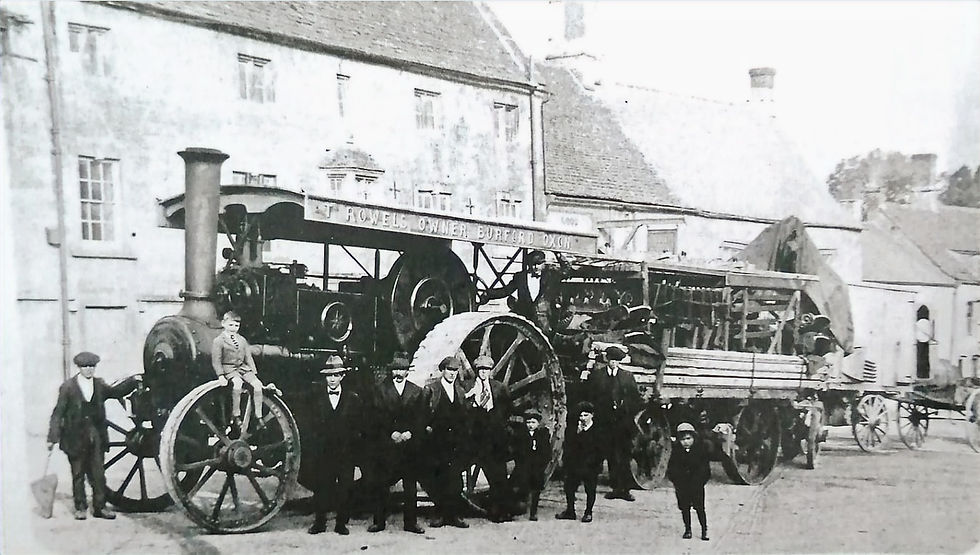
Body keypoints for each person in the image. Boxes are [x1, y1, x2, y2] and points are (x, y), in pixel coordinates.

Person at [47, 351, 140, 520]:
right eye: (86, 367)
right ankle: (80, 507)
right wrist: (52, 437)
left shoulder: (99, 385)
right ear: (79, 368)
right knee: (78, 474)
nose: (89, 370)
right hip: (75, 437)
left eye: (92, 367)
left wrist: (133, 382)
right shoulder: (68, 387)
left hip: (96, 436)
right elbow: (58, 413)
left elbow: (115, 392)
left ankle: (100, 507)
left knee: (98, 474)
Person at [367, 352, 426, 534]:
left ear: (407, 371)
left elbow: (421, 418)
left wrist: (410, 432)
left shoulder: (416, 391)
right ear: (391, 371)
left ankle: (411, 523)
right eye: (396, 370)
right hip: (387, 445)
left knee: (410, 486)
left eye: (402, 369)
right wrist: (391, 433)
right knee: (381, 485)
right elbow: (376, 417)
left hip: (409, 446)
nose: (399, 373)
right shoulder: (379, 390)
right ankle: (379, 522)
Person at [308, 356, 364, 535]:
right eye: (329, 376)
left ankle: (341, 523)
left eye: (336, 375)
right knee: (322, 487)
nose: (332, 379)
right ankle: (319, 523)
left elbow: (358, 429)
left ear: (342, 376)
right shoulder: (316, 397)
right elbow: (311, 427)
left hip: (345, 453)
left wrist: (355, 458)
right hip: (324, 453)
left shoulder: (353, 399)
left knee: (345, 489)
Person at [587, 345, 641, 501]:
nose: (613, 363)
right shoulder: (597, 376)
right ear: (607, 360)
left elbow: (635, 399)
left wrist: (625, 408)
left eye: (616, 361)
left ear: (619, 362)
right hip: (603, 423)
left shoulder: (627, 377)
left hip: (622, 423)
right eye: (611, 360)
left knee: (623, 455)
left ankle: (624, 490)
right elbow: (591, 396)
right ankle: (613, 487)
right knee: (607, 454)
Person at [422, 356, 470, 529]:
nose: (452, 374)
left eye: (455, 371)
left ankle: (454, 515)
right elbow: (423, 415)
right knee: (439, 478)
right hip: (437, 441)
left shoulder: (460, 391)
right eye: (449, 370)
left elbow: (464, 416)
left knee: (455, 480)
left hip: (455, 442)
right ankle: (440, 514)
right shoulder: (432, 389)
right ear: (443, 370)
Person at [464, 355, 514, 522]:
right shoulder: (468, 386)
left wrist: (500, 424)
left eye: (486, 370)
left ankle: (502, 510)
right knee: (486, 469)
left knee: (498, 476)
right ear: (477, 371)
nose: (484, 373)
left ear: (490, 371)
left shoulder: (499, 388)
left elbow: (508, 408)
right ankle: (494, 509)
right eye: (481, 370)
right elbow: (463, 407)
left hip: (495, 438)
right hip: (476, 437)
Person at [482, 249, 569, 334]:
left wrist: (558, 254)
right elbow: (506, 291)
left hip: (544, 322)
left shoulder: (551, 276)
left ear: (544, 263)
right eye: (533, 264)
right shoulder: (520, 277)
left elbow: (566, 270)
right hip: (524, 321)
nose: (535, 267)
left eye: (539, 264)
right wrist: (489, 294)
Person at [211, 311, 265, 420]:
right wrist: (221, 375)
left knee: (258, 385)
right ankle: (236, 413)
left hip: (242, 368)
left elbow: (248, 357)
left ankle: (258, 414)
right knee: (237, 383)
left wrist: (253, 373)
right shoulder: (219, 341)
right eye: (230, 325)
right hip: (229, 368)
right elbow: (216, 360)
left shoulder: (242, 340)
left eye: (236, 326)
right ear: (223, 324)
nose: (233, 328)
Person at [556, 401, 602, 523]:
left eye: (586, 415)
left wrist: (592, 463)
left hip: (590, 466)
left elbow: (601, 451)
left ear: (592, 415)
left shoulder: (598, 431)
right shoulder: (573, 429)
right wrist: (565, 461)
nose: (582, 419)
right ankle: (570, 511)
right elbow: (567, 446)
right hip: (574, 465)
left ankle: (588, 512)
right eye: (580, 416)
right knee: (569, 487)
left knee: (590, 489)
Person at [666, 422, 711, 541]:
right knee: (685, 508)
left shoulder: (700, 451)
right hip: (682, 485)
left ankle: (704, 530)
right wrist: (676, 480)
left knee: (700, 508)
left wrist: (700, 481)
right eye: (682, 439)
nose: (686, 442)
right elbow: (671, 468)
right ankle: (688, 529)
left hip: (696, 485)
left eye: (688, 438)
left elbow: (705, 470)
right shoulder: (676, 452)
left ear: (694, 438)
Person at [510, 409, 552, 521]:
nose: (530, 425)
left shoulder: (543, 434)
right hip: (524, 465)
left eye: (533, 422)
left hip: (537, 467)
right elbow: (517, 451)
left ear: (538, 423)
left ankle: (533, 512)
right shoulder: (521, 435)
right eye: (528, 422)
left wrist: (541, 464)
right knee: (520, 486)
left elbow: (546, 452)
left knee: (536, 489)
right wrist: (520, 463)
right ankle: (517, 508)